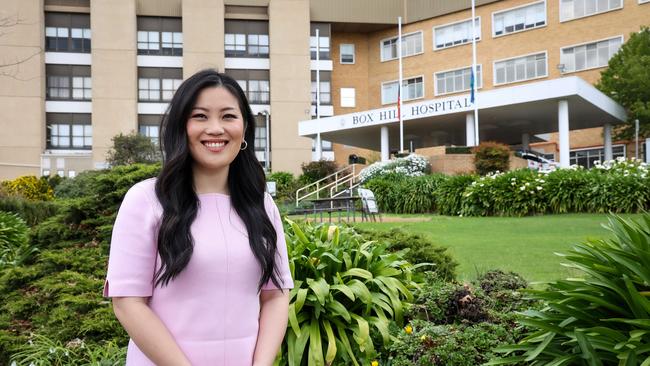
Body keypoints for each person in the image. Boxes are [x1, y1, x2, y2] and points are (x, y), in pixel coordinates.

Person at [103, 69, 293, 366]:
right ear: (181, 127)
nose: (216, 128)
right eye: (200, 116)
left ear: (244, 129)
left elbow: (276, 295)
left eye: (228, 116)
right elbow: (128, 303)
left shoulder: (261, 204)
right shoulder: (146, 201)